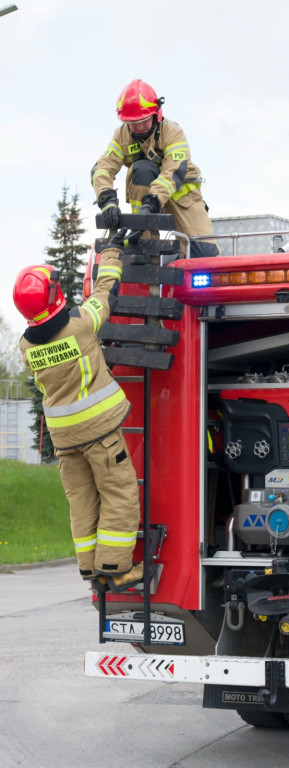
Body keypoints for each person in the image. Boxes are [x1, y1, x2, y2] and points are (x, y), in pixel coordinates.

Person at [13, 229, 144, 592]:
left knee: (82, 502)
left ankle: (90, 570)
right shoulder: (81, 325)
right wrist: (112, 253)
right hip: (100, 433)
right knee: (119, 495)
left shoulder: (25, 345)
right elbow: (106, 294)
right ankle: (115, 570)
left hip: (64, 438)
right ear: (53, 296)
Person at [91, 78, 220, 258]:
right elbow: (103, 167)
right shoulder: (122, 135)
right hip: (144, 203)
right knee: (141, 169)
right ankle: (147, 255)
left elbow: (173, 172)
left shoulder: (173, 133)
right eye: (132, 122)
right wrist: (106, 199)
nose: (138, 127)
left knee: (205, 253)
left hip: (181, 197)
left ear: (156, 114)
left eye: (143, 120)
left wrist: (153, 200)